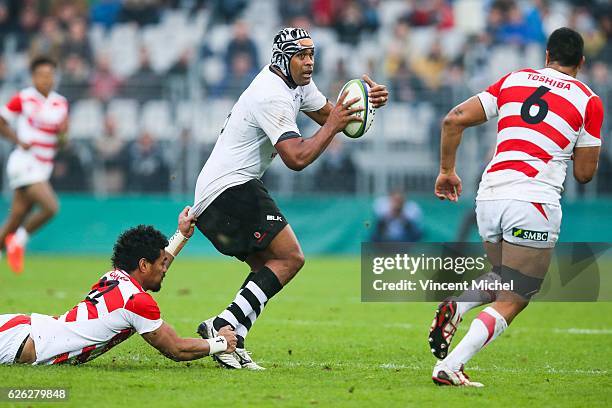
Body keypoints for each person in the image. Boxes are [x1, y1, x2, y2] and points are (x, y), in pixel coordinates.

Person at [190, 27, 388, 370]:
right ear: (282, 59)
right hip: (229, 189)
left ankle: (232, 338)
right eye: (301, 55)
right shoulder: (271, 93)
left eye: (312, 55)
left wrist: (366, 106)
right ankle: (222, 326)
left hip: (223, 191)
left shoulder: (297, 85)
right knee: (291, 258)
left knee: (267, 271)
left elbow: (333, 118)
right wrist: (334, 125)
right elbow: (296, 158)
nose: (309, 62)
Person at [429, 27, 603, 387]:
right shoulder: (589, 99)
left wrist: (447, 171)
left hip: (489, 193)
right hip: (533, 198)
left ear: (546, 57)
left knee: (503, 276)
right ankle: (451, 364)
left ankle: (458, 306)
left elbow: (453, 119)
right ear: (581, 63)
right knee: (518, 294)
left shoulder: (515, 79)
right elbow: (585, 174)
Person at [0, 207, 238, 366]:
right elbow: (176, 349)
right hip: (19, 343)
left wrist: (182, 235)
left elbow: (156, 265)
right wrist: (220, 343)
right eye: (160, 264)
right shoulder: (136, 302)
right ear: (143, 265)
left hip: (24, 329)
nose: (165, 268)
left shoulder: (117, 277)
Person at [0, 56, 69, 273]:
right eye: (41, 75)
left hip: (43, 166)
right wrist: (18, 140)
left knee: (16, 217)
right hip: (23, 162)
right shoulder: (24, 98)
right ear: (33, 77)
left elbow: (62, 139)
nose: (46, 80)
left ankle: (8, 242)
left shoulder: (60, 103)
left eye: (49, 75)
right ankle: (18, 242)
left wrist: (63, 135)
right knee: (51, 207)